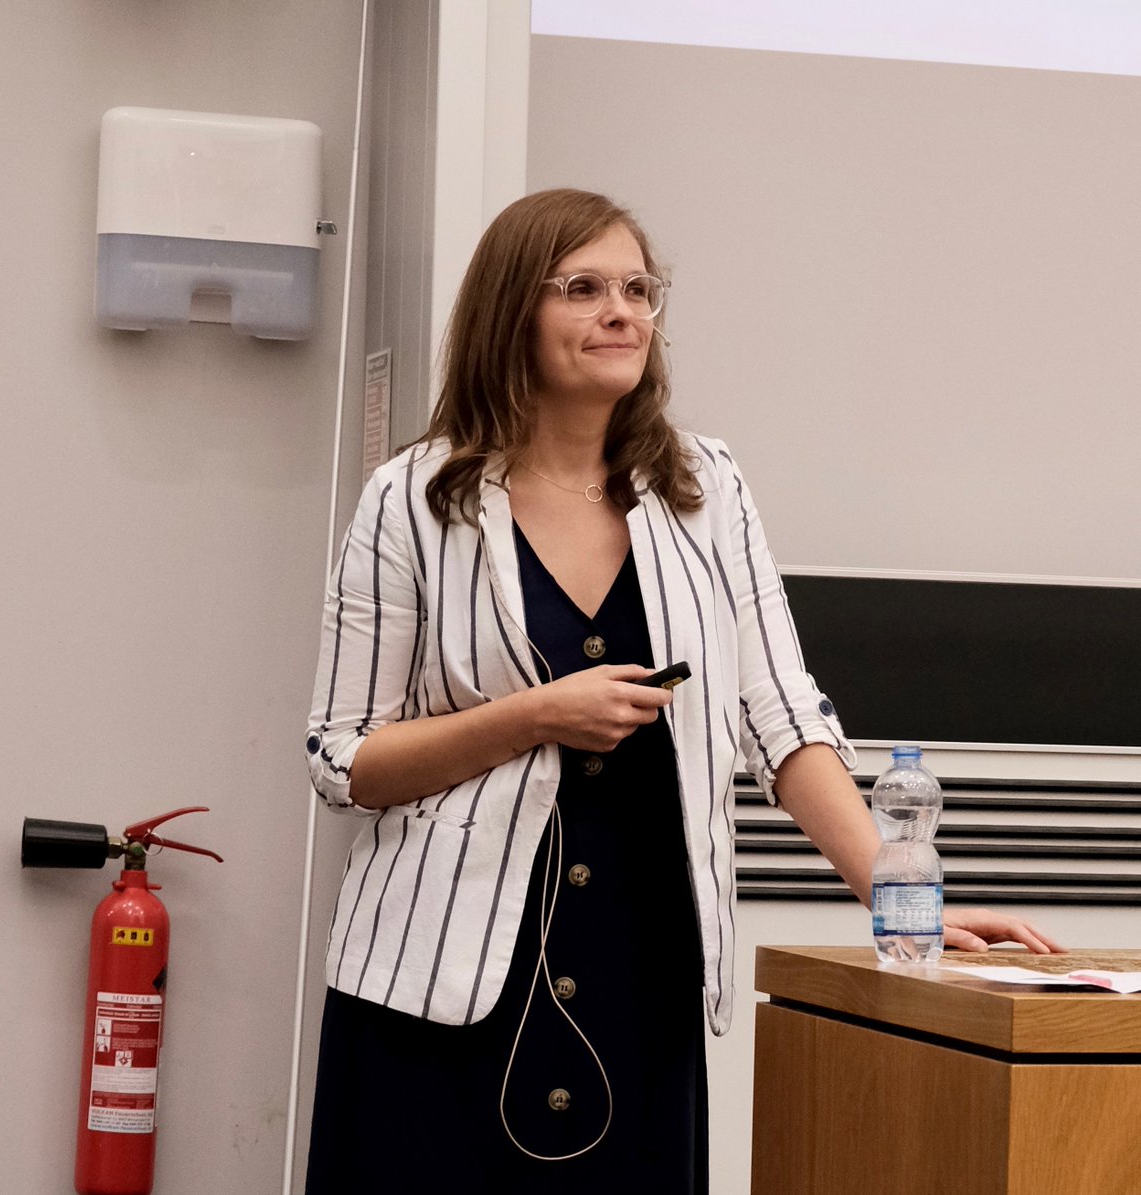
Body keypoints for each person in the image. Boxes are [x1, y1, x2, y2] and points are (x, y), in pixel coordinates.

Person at [302, 188, 1060, 1192]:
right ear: (509, 312)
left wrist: (895, 892)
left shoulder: (705, 486)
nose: (621, 311)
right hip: (440, 982)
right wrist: (534, 715)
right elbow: (343, 758)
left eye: (637, 288)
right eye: (582, 288)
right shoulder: (412, 498)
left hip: (642, 963)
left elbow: (780, 712)